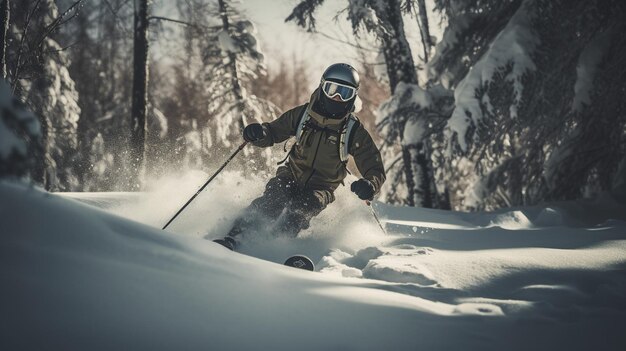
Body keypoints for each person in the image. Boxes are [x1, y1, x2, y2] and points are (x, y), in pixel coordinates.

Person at [214, 63, 385, 250]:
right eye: (332, 89)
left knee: (301, 209)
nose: (336, 97)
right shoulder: (303, 115)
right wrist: (258, 133)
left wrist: (370, 184)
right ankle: (234, 237)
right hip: (291, 176)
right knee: (274, 198)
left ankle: (272, 248)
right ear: (322, 87)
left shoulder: (353, 130)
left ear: (354, 96)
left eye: (345, 93)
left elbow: (374, 166)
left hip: (321, 188)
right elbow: (272, 132)